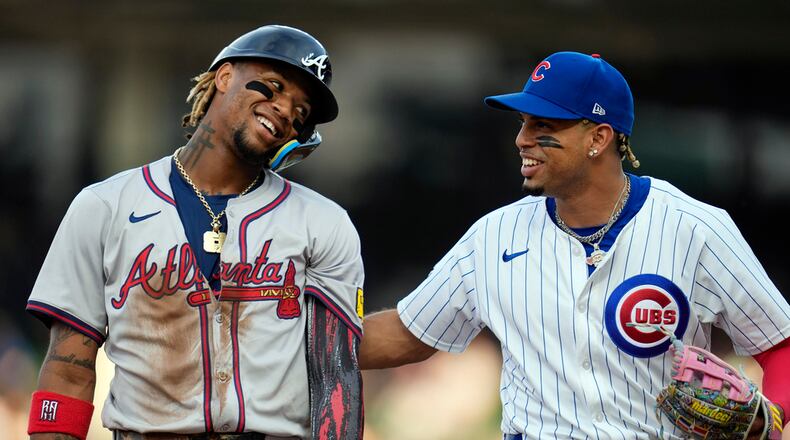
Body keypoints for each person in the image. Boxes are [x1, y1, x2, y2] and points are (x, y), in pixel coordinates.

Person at [359, 51, 790, 439]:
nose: (522, 139)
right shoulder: (491, 236)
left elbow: (780, 344)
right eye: (523, 123)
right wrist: (297, 339)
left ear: (598, 139)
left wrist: (772, 415)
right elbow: (407, 333)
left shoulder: (695, 228)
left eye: (542, 125)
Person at [26, 25, 365, 440]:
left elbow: (337, 379)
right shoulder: (104, 206)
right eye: (274, 87)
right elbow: (67, 368)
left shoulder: (323, 223)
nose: (284, 110)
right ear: (224, 77)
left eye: (300, 111)